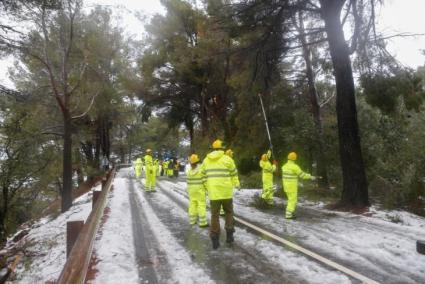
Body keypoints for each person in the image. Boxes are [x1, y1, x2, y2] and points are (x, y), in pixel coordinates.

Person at [201, 139, 240, 249]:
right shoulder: (228, 159)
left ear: (213, 148)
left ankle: (215, 238)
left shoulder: (206, 160)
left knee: (215, 215)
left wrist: (207, 187)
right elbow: (234, 174)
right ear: (222, 148)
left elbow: (202, 175)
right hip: (226, 192)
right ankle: (229, 234)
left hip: (214, 194)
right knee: (228, 212)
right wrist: (236, 184)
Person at [281, 152, 316, 219]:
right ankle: (288, 214)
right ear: (295, 159)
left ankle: (289, 213)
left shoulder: (284, 166)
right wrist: (310, 177)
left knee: (290, 199)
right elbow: (302, 175)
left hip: (286, 186)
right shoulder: (295, 167)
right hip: (292, 187)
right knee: (292, 200)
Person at [187, 154, 208, 227]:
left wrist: (189, 190)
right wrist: (207, 189)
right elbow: (205, 181)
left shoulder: (189, 172)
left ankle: (192, 220)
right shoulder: (201, 171)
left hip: (192, 191)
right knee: (201, 205)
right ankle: (202, 222)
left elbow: (188, 183)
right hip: (200, 191)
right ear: (197, 162)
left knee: (192, 204)